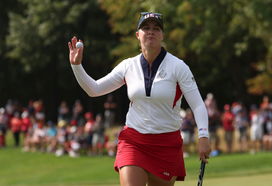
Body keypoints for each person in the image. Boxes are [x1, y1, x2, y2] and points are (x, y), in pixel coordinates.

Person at [68, 11, 211, 185]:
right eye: (146, 28)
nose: (151, 31)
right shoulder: (128, 66)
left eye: (156, 28)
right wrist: (77, 67)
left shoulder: (178, 67)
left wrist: (203, 136)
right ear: (138, 35)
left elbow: (197, 104)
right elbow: (95, 89)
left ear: (162, 35)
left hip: (166, 144)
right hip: (133, 141)